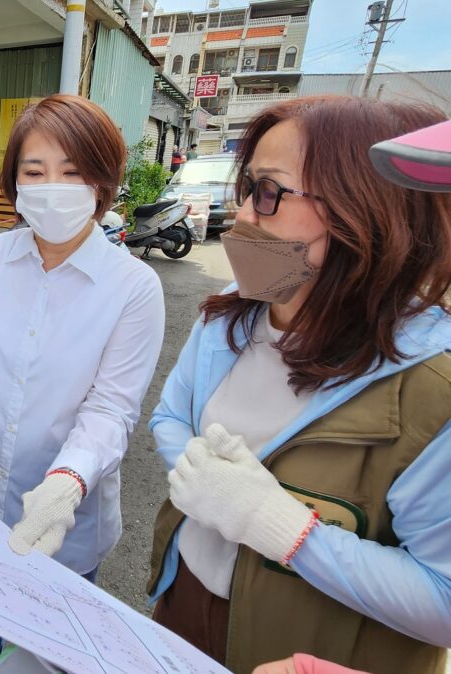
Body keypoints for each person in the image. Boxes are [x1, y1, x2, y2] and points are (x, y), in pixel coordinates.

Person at [146, 95, 451, 674]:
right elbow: (167, 416)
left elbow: (443, 598)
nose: (242, 217)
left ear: (369, 210)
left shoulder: (431, 388)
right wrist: (201, 472)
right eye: (247, 189)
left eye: (270, 192)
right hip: (184, 601)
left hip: (306, 654)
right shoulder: (225, 322)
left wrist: (282, 527)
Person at [0, 94, 166, 674]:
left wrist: (68, 482)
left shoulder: (133, 288)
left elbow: (110, 410)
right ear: (14, 183)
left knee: (46, 658)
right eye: (35, 171)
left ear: (103, 182)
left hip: (62, 524)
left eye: (73, 171)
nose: (53, 186)